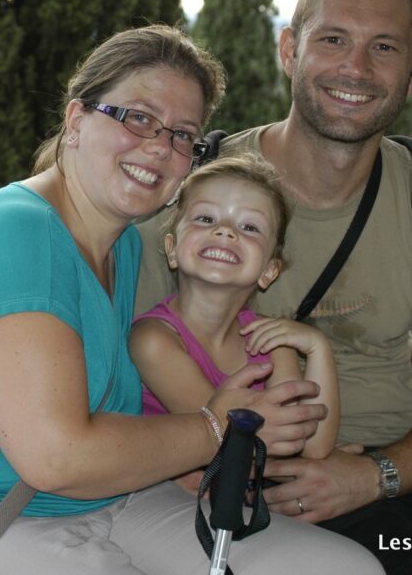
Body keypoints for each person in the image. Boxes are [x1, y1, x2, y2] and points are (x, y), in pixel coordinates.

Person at [0, 25, 383, 574]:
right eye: (138, 118)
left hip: (107, 498)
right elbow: (57, 455)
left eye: (182, 135)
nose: (158, 147)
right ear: (76, 120)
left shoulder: (121, 245)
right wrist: (216, 427)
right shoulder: (16, 238)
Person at [136, 0, 412, 575]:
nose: (356, 67)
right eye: (334, 39)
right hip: (268, 480)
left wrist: (371, 476)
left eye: (385, 48)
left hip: (408, 473)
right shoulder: (199, 203)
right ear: (290, 50)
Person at [130, 155, 339, 470]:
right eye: (205, 219)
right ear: (172, 249)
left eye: (249, 226)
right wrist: (297, 470)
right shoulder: (153, 341)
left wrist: (318, 347)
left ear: (269, 270)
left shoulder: (271, 342)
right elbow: (226, 446)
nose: (226, 231)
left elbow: (312, 446)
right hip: (168, 497)